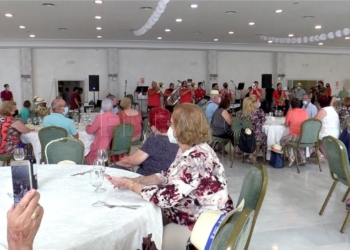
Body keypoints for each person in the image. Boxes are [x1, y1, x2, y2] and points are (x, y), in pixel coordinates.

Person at [105, 103, 233, 250]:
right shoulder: (197, 148)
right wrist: (135, 180)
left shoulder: (193, 159)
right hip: (203, 214)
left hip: (202, 226)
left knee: (145, 233)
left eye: (171, 124)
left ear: (181, 128)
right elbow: (165, 175)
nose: (169, 129)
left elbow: (163, 199)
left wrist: (131, 186)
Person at [112, 107, 179, 175]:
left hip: (147, 178)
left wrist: (114, 164)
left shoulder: (154, 140)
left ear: (153, 128)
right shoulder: (178, 140)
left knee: (115, 168)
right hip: (166, 177)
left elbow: (130, 162)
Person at [85, 98, 120, 165]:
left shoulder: (99, 117)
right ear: (112, 107)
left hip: (101, 146)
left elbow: (90, 131)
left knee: (87, 145)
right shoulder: (117, 117)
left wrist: (87, 127)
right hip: (113, 144)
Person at [280, 98, 309, 166]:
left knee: (283, 140)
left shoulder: (290, 112)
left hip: (294, 136)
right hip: (304, 136)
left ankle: (290, 156)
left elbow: (286, 125)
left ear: (291, 104)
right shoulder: (305, 112)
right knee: (297, 143)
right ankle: (302, 158)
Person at [240, 95, 267, 164]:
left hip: (244, 135)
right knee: (265, 137)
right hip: (255, 135)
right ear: (254, 102)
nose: (259, 102)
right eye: (258, 101)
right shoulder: (258, 111)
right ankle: (252, 154)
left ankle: (251, 154)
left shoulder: (243, 112)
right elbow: (263, 122)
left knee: (261, 137)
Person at [314, 95, 340, 161]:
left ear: (319, 104)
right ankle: (325, 154)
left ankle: (320, 155)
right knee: (319, 141)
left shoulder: (322, 110)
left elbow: (313, 122)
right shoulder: (332, 109)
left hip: (327, 135)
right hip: (336, 133)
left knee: (308, 138)